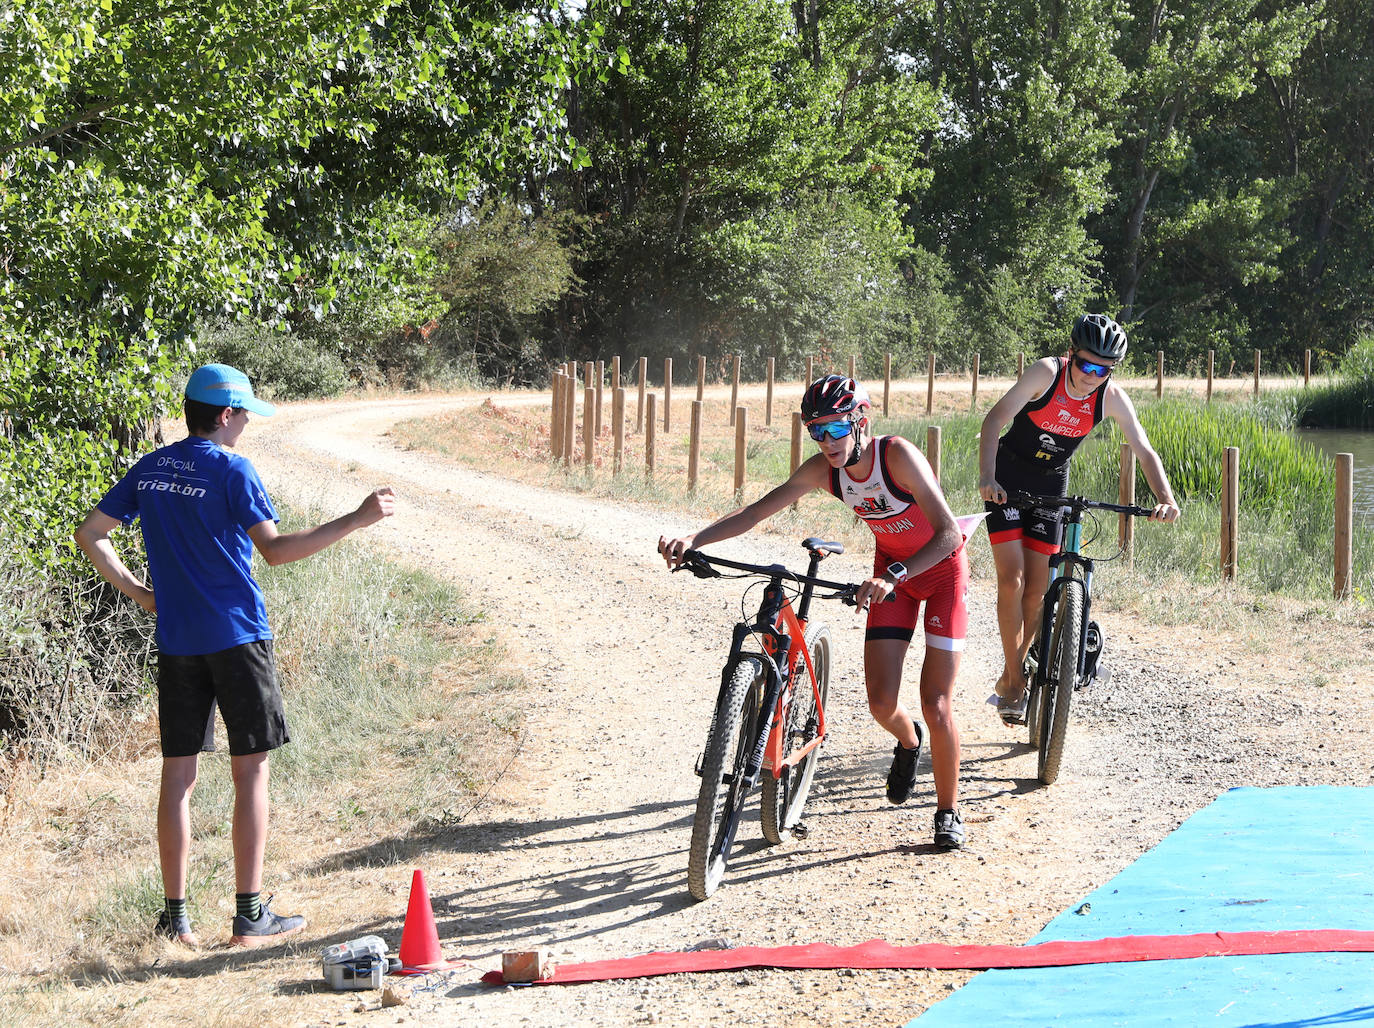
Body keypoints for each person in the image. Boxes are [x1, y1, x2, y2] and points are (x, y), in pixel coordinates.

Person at [74, 363, 396, 948]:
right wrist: (357, 517)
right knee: (250, 770)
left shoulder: (152, 467)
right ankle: (250, 918)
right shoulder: (232, 469)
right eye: (245, 414)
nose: (247, 424)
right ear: (226, 414)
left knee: (179, 776)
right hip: (238, 637)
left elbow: (92, 531)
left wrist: (142, 594)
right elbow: (274, 551)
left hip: (177, 640)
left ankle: (176, 921)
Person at [659, 375, 972, 849]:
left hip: (938, 573)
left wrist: (895, 575)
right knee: (882, 704)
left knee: (936, 702)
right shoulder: (824, 471)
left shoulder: (897, 456)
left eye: (835, 429)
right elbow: (754, 513)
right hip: (890, 580)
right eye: (815, 430)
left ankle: (948, 811)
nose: (825, 441)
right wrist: (695, 539)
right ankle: (910, 744)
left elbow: (949, 532)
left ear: (860, 422)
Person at [979, 314, 1180, 723]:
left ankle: (1013, 672)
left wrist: (1166, 498)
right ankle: (1014, 679)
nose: (1093, 376)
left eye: (1103, 370)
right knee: (1012, 578)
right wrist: (986, 476)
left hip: (1052, 482)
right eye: (1087, 365)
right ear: (1071, 354)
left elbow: (1143, 449)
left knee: (1037, 588)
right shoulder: (1044, 373)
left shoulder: (1111, 396)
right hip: (1008, 474)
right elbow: (994, 420)